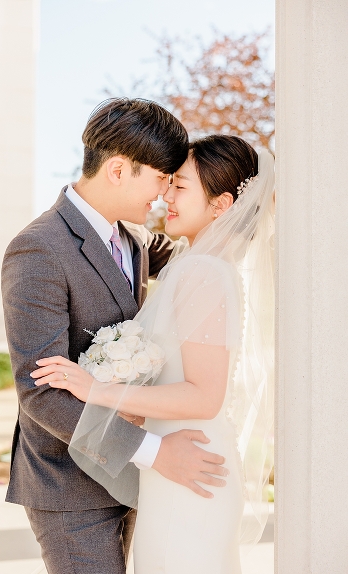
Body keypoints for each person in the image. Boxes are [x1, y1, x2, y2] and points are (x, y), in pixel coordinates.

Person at [1, 99, 231, 574]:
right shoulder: (38, 248)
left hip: (138, 482)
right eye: (162, 178)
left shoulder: (136, 240)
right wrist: (156, 453)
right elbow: (40, 394)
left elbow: (205, 244)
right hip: (71, 485)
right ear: (119, 170)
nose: (165, 194)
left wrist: (240, 206)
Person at [34, 135, 275, 573]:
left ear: (221, 205)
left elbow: (205, 396)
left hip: (189, 466)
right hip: (183, 462)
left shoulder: (203, 271)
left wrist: (98, 389)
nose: (167, 195)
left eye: (179, 186)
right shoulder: (198, 263)